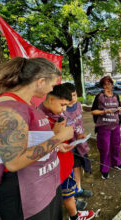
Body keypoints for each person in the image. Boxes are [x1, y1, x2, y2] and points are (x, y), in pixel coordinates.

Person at [0, 57, 74, 219]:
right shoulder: (8, 110)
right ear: (40, 81)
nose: (51, 90)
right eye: (52, 85)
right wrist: (59, 138)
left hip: (43, 186)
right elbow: (14, 161)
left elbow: (28, 140)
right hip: (24, 195)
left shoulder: (27, 104)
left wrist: (55, 142)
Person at [39, 84, 95, 220]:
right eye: (63, 105)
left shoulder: (57, 114)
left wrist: (73, 138)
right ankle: (74, 216)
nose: (64, 110)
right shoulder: (39, 117)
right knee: (62, 194)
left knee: (68, 190)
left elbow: (62, 137)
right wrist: (58, 134)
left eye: (66, 106)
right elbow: (40, 145)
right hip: (52, 166)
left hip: (65, 159)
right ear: (51, 99)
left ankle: (74, 209)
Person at [61, 83, 93, 198]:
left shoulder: (79, 105)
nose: (72, 99)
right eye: (69, 96)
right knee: (70, 168)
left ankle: (78, 189)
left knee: (78, 166)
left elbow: (79, 122)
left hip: (80, 143)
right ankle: (71, 195)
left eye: (74, 95)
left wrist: (81, 135)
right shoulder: (61, 109)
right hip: (69, 145)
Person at [91, 76, 121, 179]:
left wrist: (120, 109)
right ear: (102, 86)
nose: (108, 86)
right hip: (103, 126)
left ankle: (116, 163)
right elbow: (93, 111)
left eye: (109, 84)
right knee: (105, 148)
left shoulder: (116, 96)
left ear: (112, 84)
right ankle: (104, 169)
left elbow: (119, 107)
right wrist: (105, 111)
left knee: (116, 146)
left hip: (115, 126)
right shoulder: (99, 96)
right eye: (105, 84)